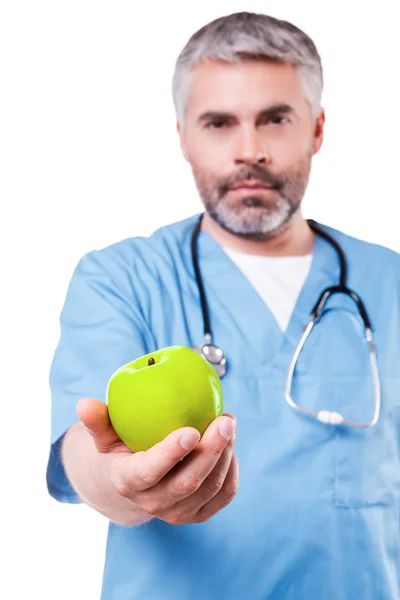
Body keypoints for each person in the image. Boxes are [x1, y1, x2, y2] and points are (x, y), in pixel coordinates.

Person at [46, 10, 400, 600]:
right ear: (182, 135)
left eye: (275, 119)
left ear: (316, 129)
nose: (249, 150)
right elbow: (82, 451)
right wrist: (119, 481)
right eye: (218, 122)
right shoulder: (121, 278)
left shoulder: (389, 282)